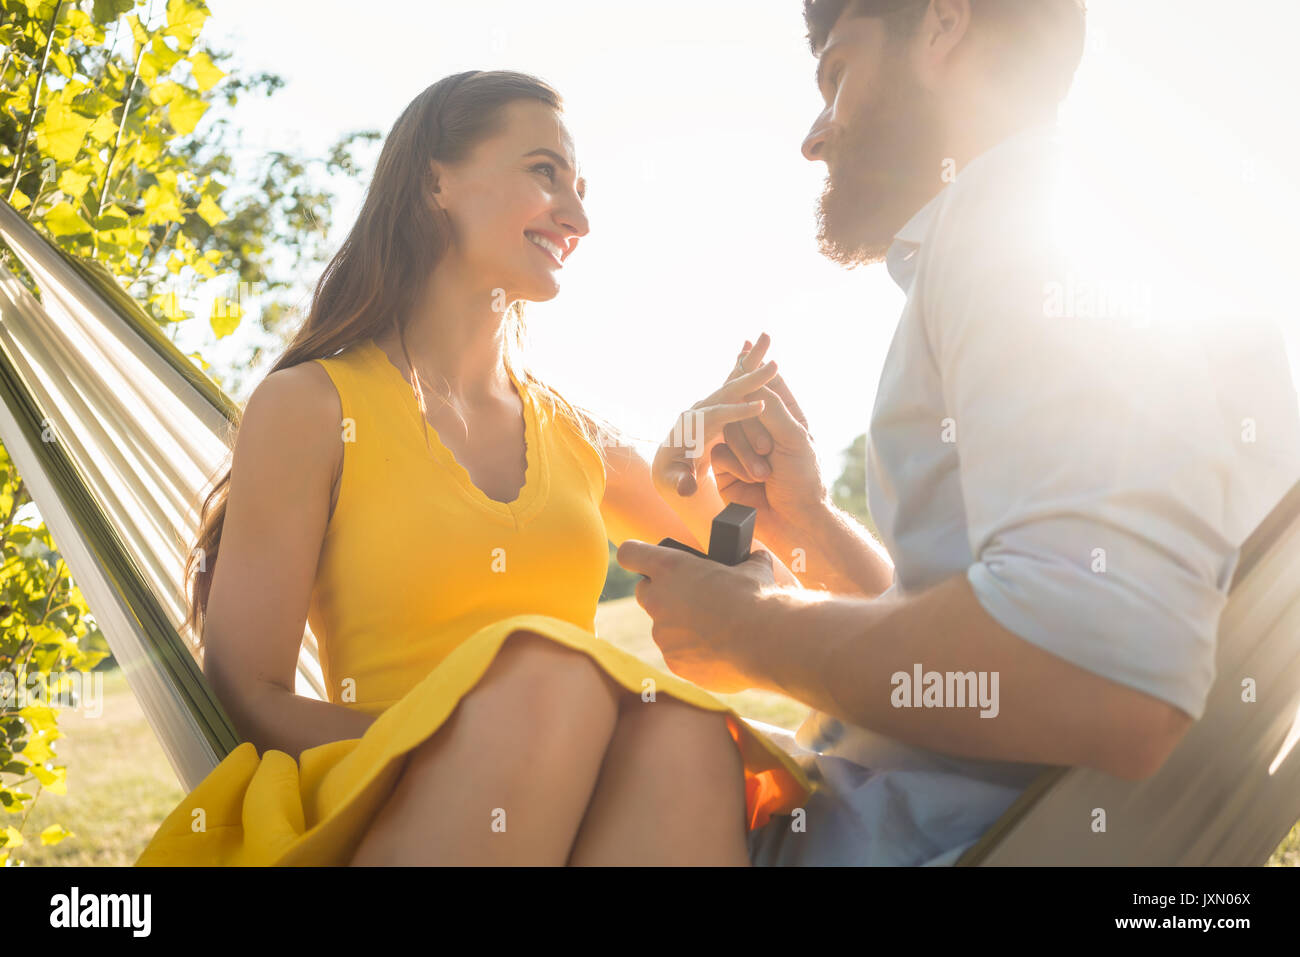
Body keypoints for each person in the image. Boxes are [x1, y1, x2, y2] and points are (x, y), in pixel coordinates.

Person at [618, 0, 1300, 865]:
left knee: (595, 725)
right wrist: (810, 524)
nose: (815, 137)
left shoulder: (1020, 237)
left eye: (837, 74)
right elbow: (996, 655)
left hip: (899, 843)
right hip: (973, 824)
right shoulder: (1113, 270)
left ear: (943, 27)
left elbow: (1097, 674)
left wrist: (748, 627)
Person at [133, 70, 816, 867]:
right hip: (386, 802)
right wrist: (474, 743)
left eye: (581, 189)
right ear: (437, 184)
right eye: (545, 172)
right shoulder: (311, 408)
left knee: (684, 733)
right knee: (551, 678)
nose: (579, 217)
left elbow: (775, 587)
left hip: (563, 814)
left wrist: (696, 465)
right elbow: (248, 696)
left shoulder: (579, 434)